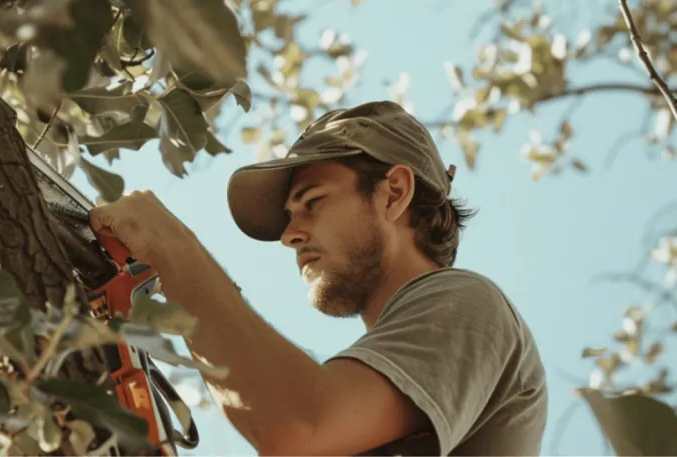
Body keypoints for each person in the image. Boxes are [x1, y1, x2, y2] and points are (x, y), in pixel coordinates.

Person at [88, 100, 548, 456]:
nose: (290, 234)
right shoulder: (373, 402)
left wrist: (172, 248)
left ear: (394, 193)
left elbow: (298, 424)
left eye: (313, 201)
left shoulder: (469, 302)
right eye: (290, 215)